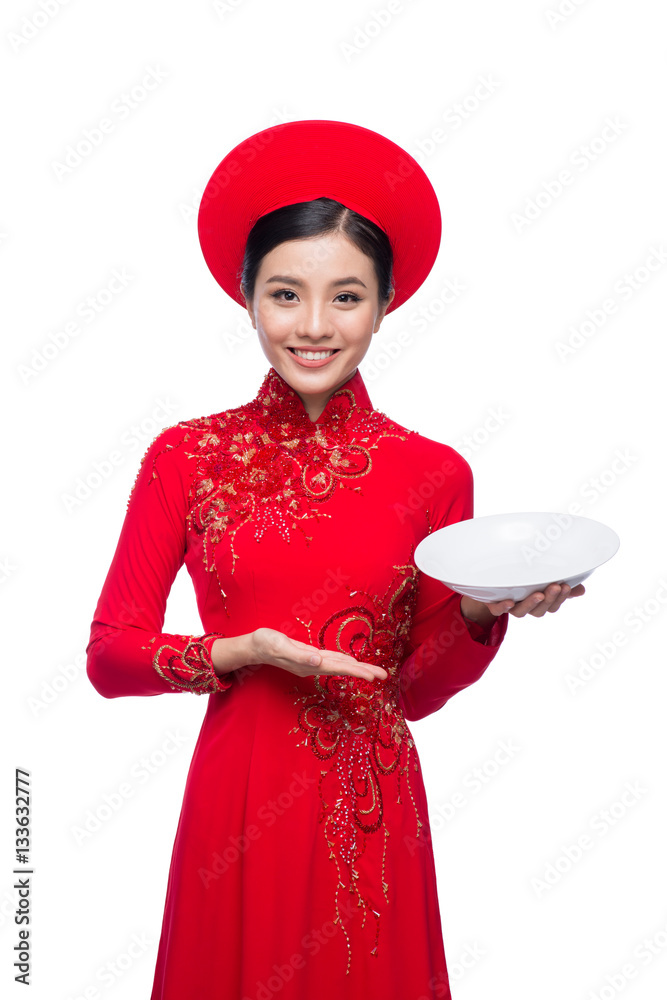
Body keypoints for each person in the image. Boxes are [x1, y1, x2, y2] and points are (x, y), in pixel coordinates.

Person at [86, 120, 583, 1000]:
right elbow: (109, 655)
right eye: (286, 294)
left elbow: (416, 689)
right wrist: (237, 654)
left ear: (385, 302)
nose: (313, 327)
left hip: (370, 806)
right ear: (246, 298)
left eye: (345, 297)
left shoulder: (433, 472)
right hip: (236, 802)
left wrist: (480, 612)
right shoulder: (186, 455)